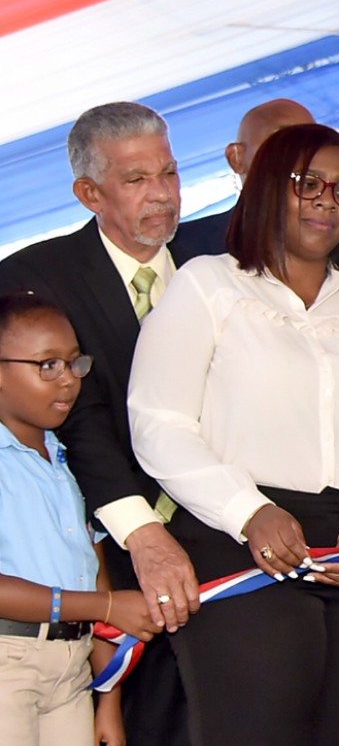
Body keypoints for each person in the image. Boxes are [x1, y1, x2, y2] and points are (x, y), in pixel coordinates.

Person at [127, 124, 339, 746]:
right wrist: (249, 511)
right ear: (262, 189)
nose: (326, 201)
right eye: (306, 183)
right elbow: (157, 422)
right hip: (240, 538)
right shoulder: (207, 284)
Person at [0, 101, 196, 745]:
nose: (163, 195)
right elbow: (77, 420)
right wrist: (140, 534)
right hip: (114, 547)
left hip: (225, 538)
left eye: (169, 173)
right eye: (138, 180)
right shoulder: (34, 278)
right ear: (89, 192)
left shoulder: (216, 260)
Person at [0, 293, 162, 746]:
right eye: (47, 365)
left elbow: (93, 571)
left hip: (71, 672)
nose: (69, 380)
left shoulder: (63, 463)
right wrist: (106, 609)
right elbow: (102, 603)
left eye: (75, 362)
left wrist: (106, 697)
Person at [168, 99, 314, 265]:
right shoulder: (182, 247)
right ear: (236, 158)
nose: (301, 157)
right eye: (283, 143)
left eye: (313, 145)